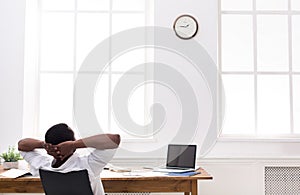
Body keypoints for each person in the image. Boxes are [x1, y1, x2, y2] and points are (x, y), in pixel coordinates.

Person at [18, 123, 120, 195]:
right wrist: (74, 144)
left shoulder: (42, 165)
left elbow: (21, 145)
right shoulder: (89, 165)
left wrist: (43, 144)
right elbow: (115, 139)